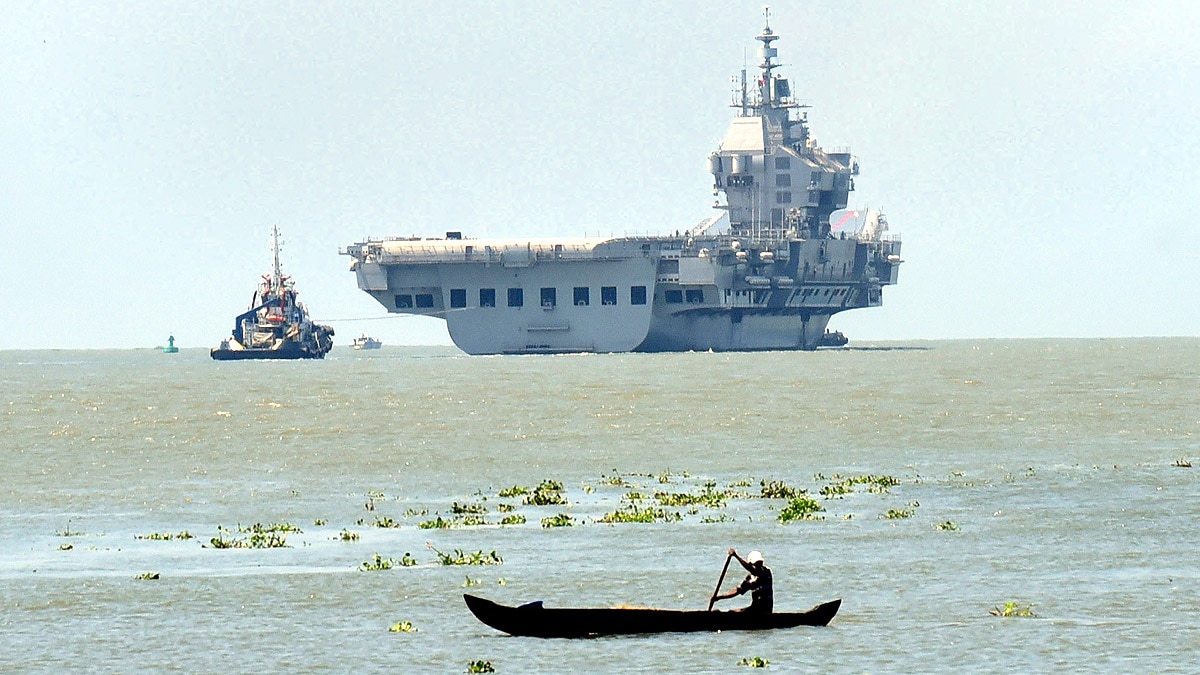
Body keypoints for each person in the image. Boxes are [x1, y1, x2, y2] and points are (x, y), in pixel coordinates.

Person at [711, 548, 773, 614]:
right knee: (731, 612)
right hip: (755, 608)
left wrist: (736, 556)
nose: (759, 565)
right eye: (757, 564)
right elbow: (737, 591)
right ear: (750, 564)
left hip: (765, 610)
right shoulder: (750, 579)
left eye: (760, 563)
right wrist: (718, 597)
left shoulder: (766, 572)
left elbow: (752, 569)